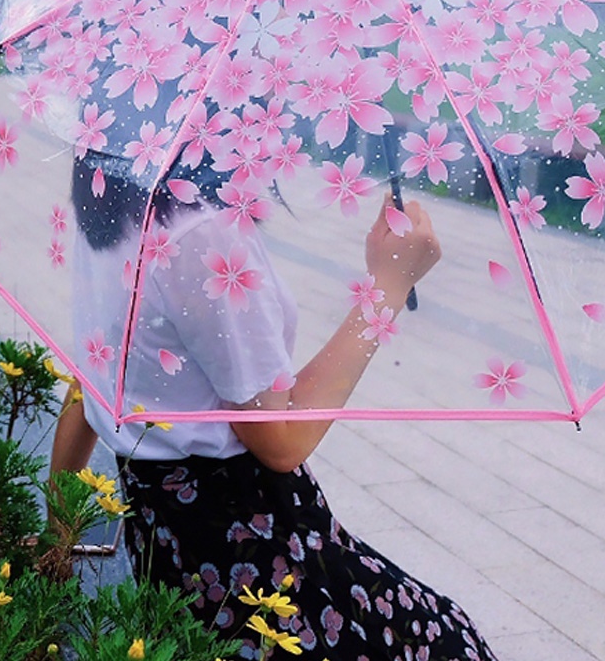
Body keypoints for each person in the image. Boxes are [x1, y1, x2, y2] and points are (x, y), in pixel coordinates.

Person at [51, 154, 499, 660]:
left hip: (176, 551)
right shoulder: (200, 234)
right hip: (254, 561)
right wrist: (387, 287)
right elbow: (280, 441)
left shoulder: (116, 183)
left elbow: (92, 376)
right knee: (448, 644)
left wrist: (57, 531)